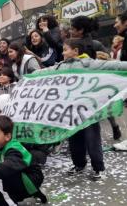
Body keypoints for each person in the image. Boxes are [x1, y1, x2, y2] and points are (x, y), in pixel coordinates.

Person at [34, 38, 127, 179]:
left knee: (92, 140)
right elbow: (45, 72)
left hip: (89, 112)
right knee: (74, 141)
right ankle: (79, 165)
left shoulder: (89, 64)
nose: (63, 53)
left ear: (76, 51)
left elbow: (112, 66)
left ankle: (98, 168)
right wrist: (29, 77)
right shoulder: (61, 66)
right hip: (71, 113)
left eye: (65, 50)